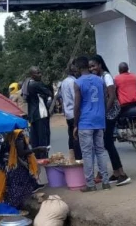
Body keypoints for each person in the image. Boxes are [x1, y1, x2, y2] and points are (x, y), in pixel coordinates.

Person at [72, 56, 112, 191]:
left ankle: (90, 184)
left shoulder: (78, 82)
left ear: (78, 68)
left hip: (85, 122)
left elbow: (76, 106)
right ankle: (105, 182)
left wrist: (75, 124)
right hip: (99, 121)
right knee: (101, 151)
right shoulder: (99, 80)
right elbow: (105, 97)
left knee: (87, 153)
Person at [90, 55, 130, 186]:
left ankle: (122, 174)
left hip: (111, 112)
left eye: (94, 66)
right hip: (105, 113)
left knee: (108, 143)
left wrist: (104, 113)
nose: (92, 68)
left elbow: (112, 96)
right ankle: (116, 173)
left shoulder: (106, 76)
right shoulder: (98, 77)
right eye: (90, 67)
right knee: (107, 143)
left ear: (100, 65)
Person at [0, 130, 40, 209]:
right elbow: (21, 152)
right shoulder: (18, 137)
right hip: (11, 169)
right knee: (19, 187)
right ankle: (13, 207)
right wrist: (36, 150)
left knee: (13, 188)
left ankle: (13, 206)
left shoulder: (9, 139)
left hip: (6, 169)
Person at [52, 62, 82, 161]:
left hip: (68, 113)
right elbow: (76, 98)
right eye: (77, 71)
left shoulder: (64, 82)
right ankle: (78, 159)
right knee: (76, 136)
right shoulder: (74, 82)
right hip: (74, 113)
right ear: (74, 72)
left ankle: (72, 157)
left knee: (71, 136)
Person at [23, 67, 53, 151]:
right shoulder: (36, 84)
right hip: (40, 113)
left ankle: (36, 158)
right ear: (32, 75)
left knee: (35, 137)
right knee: (43, 137)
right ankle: (43, 157)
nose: (40, 75)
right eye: (38, 73)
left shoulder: (27, 84)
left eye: (40, 72)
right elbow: (49, 93)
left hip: (32, 114)